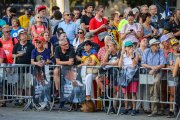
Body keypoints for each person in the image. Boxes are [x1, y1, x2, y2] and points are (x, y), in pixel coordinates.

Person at [141, 38, 166, 117]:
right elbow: (143, 63)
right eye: (156, 45)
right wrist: (151, 68)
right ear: (151, 46)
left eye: (158, 44)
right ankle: (154, 110)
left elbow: (163, 64)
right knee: (152, 90)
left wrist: (154, 69)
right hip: (149, 72)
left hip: (158, 72)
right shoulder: (146, 51)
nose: (158, 46)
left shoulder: (161, 52)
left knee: (155, 83)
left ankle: (155, 109)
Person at [119, 41, 139, 116]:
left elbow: (135, 64)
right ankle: (126, 108)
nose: (130, 48)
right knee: (125, 93)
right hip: (124, 75)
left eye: (131, 46)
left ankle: (134, 108)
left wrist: (131, 55)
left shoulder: (135, 54)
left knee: (133, 92)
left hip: (133, 74)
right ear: (125, 48)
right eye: (128, 46)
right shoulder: (123, 54)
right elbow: (119, 65)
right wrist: (121, 55)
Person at [31, 36, 51, 109]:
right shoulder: (34, 51)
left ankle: (46, 102)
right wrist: (37, 63)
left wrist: (44, 62)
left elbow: (48, 60)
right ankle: (36, 102)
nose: (37, 43)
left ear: (42, 42)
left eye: (39, 42)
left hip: (45, 70)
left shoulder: (47, 50)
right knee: (36, 87)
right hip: (37, 70)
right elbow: (32, 61)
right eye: (36, 42)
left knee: (46, 86)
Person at [135, 38, 151, 113]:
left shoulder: (149, 50)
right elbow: (137, 59)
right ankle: (137, 107)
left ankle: (146, 108)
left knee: (147, 90)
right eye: (143, 40)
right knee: (139, 90)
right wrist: (144, 59)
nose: (145, 42)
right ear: (140, 42)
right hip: (139, 71)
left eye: (146, 41)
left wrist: (142, 59)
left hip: (148, 71)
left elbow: (149, 60)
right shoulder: (137, 50)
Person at [166, 38, 179, 118]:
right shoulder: (170, 55)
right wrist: (171, 67)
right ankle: (171, 110)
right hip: (171, 77)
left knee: (178, 94)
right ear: (171, 46)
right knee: (172, 93)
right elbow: (167, 65)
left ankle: (177, 109)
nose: (176, 46)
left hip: (178, 77)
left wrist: (175, 67)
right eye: (174, 45)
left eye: (177, 44)